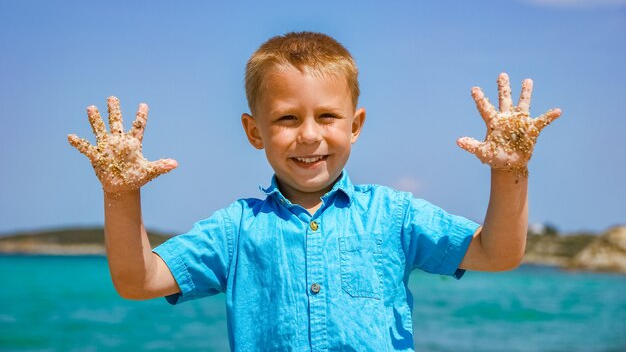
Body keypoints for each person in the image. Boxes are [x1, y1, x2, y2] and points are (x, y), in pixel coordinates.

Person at [68, 31, 561, 351]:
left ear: (356, 124)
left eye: (327, 116)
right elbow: (139, 281)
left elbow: (498, 253)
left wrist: (510, 171)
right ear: (254, 131)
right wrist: (120, 192)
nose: (309, 135)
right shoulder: (235, 229)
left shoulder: (394, 215)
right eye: (286, 119)